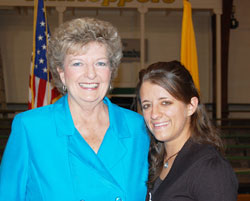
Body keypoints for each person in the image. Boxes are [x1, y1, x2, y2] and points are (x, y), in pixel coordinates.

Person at [0, 17, 149, 201]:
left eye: (100, 63)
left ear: (111, 70)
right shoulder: (30, 128)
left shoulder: (138, 128)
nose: (91, 74)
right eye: (78, 63)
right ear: (61, 72)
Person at [136, 61, 238, 201]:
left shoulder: (209, 168)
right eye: (147, 105)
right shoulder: (154, 159)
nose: (154, 114)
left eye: (165, 103)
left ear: (191, 106)